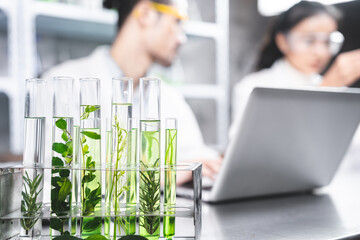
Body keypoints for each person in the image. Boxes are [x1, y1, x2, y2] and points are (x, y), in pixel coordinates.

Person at [42, 0, 221, 184]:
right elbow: (57, 179)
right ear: (145, 14)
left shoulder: (170, 97)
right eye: (177, 21)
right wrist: (163, 175)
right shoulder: (62, 85)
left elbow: (201, 161)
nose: (182, 38)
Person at [233, 1, 360, 123]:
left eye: (327, 42)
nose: (321, 52)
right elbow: (256, 140)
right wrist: (327, 90)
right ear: (283, 41)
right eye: (309, 40)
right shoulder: (253, 88)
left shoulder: (339, 90)